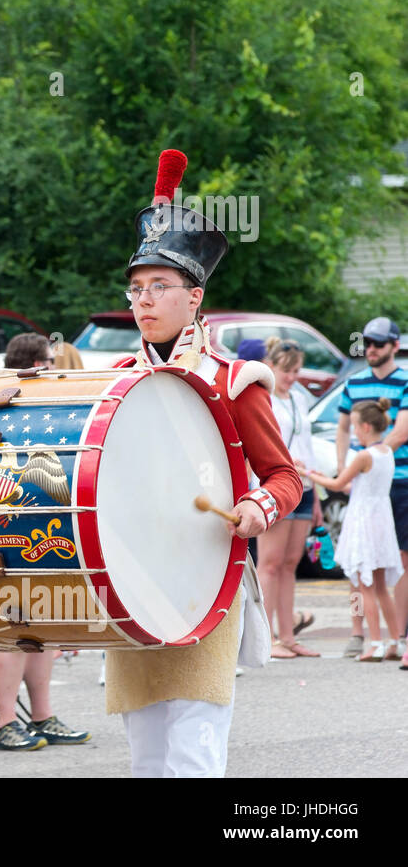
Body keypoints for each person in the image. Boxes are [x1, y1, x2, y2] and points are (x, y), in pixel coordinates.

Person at [106, 149, 301, 777]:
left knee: (193, 751)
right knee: (145, 751)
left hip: (206, 582)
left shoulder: (236, 380)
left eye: (159, 287)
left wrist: (254, 505)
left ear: (195, 298)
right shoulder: (115, 384)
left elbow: (285, 478)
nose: (144, 300)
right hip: (133, 583)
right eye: (136, 288)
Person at [0, 334, 90, 750]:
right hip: (3, 533)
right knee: (14, 629)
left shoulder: (44, 405)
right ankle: (8, 723)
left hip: (41, 528)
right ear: (32, 364)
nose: (55, 366)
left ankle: (42, 716)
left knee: (40, 626)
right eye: (49, 361)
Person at [309, 400, 404, 664]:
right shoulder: (387, 452)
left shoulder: (364, 455)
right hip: (380, 521)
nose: (353, 433)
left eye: (354, 427)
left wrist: (309, 474)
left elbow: (339, 483)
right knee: (381, 586)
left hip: (363, 522)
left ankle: (374, 643)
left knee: (365, 586)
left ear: (364, 426)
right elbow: (361, 485)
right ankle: (395, 640)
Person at [336, 317, 408, 658]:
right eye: (368, 342)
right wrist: (344, 468)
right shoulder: (354, 383)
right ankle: (357, 630)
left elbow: (401, 431)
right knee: (356, 559)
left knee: (399, 561)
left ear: (394, 346)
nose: (372, 349)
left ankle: (399, 633)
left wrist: (371, 461)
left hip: (398, 480)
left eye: (379, 343)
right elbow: (341, 429)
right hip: (363, 479)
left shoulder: (405, 381)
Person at [257, 337, 323, 658]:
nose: (292, 377)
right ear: (271, 366)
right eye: (287, 371)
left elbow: (307, 446)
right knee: (269, 564)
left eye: (296, 370)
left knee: (290, 564)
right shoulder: (264, 398)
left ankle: (287, 635)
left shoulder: (299, 398)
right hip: (276, 484)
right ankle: (265, 638)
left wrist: (319, 498)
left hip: (306, 487)